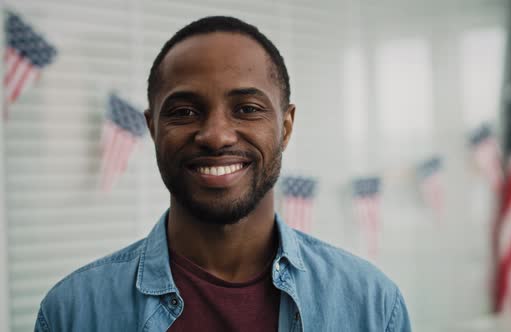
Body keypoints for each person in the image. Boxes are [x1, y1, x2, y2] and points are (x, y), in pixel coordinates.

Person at [34, 16, 411, 332]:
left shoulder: (373, 306)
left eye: (247, 108)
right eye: (183, 111)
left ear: (287, 126)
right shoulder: (73, 313)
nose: (215, 135)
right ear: (152, 128)